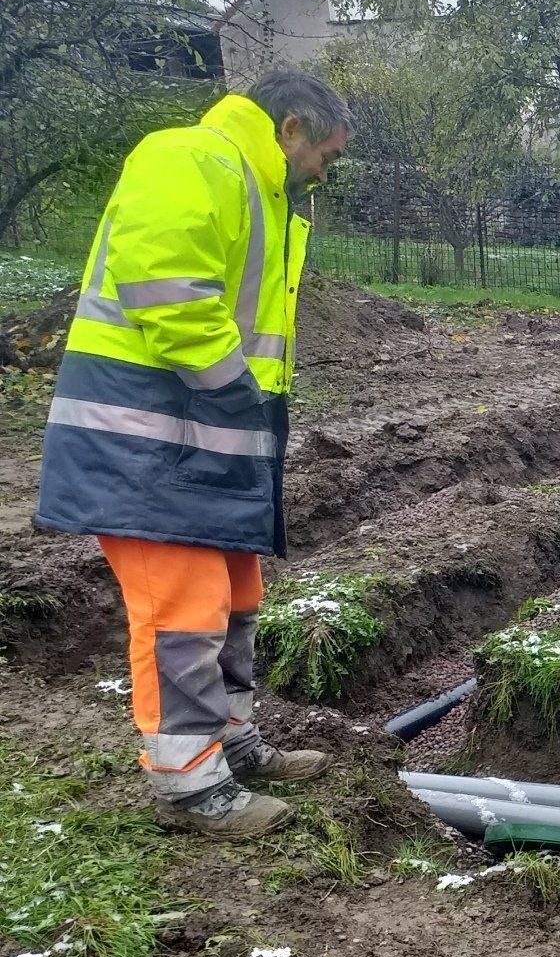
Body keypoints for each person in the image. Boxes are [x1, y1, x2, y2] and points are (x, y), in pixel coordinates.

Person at [34, 72, 353, 838]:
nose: (323, 173)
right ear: (290, 129)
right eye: (325, 155)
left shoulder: (257, 192)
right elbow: (167, 291)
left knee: (237, 594)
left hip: (202, 436)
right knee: (181, 610)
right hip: (147, 437)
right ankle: (186, 783)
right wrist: (232, 385)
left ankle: (232, 742)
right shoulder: (194, 158)